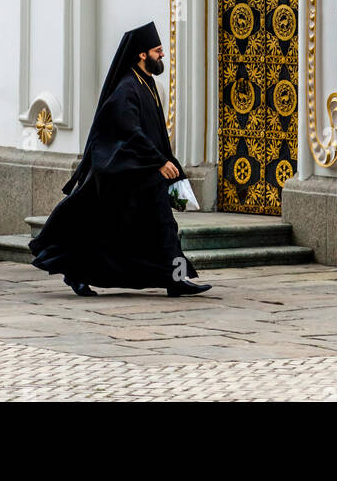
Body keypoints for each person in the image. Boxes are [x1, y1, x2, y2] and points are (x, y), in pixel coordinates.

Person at [29, 22, 211, 298]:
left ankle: (176, 280)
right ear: (141, 54)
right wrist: (159, 161)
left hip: (146, 175)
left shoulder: (147, 84)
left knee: (163, 229)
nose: (162, 55)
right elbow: (131, 133)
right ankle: (76, 274)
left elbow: (156, 132)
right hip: (124, 175)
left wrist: (170, 163)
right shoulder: (126, 89)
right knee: (105, 230)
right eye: (157, 51)